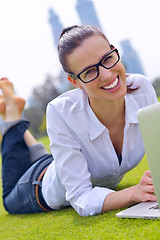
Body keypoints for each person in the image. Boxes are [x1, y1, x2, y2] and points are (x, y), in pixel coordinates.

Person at [0, 25, 158, 217]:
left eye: (108, 58)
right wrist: (133, 192)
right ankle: (11, 118)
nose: (107, 75)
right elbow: (81, 198)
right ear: (75, 82)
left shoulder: (141, 89)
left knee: (51, 161)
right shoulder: (61, 111)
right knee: (9, 199)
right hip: (39, 185)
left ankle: (15, 117)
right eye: (90, 71)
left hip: (63, 165)